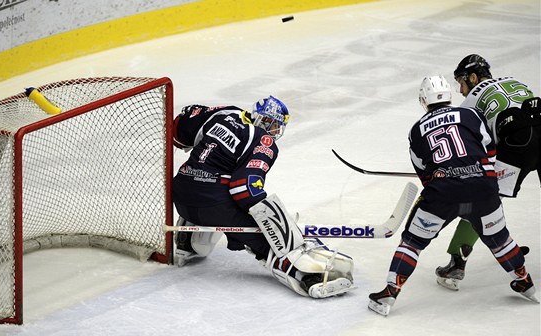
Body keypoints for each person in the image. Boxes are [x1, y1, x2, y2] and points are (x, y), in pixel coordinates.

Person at [368, 75, 539, 316]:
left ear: (423, 100)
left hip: (442, 195)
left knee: (412, 243)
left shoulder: (416, 130)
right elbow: (489, 151)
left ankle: (389, 293)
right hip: (483, 190)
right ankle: (526, 284)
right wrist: (474, 173)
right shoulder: (471, 115)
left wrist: (448, 178)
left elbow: (423, 173)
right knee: (500, 240)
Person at [171, 96, 355, 298]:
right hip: (213, 207)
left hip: (180, 195)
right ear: (260, 118)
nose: (272, 130)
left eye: (276, 127)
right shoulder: (263, 140)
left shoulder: (224, 113)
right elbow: (244, 190)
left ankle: (187, 240)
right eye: (271, 123)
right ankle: (307, 278)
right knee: (272, 240)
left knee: (205, 186)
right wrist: (273, 223)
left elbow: (180, 129)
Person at [436, 54, 541, 290]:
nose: (461, 90)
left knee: (483, 202)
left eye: (461, 83)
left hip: (517, 145)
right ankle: (509, 250)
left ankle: (456, 264)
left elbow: (469, 149)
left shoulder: (470, 103)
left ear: (472, 77)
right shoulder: (516, 82)